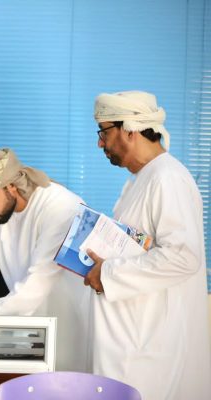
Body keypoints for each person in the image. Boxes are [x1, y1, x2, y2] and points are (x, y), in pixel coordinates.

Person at [86, 91, 210, 399]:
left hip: (149, 348)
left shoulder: (167, 178)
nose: (100, 143)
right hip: (131, 339)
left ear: (129, 129)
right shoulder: (142, 179)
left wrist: (108, 274)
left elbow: (183, 257)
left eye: (103, 132)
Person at [0, 148, 91, 371]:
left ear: (11, 186)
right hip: (30, 329)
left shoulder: (62, 207)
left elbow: (37, 284)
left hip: (72, 324)